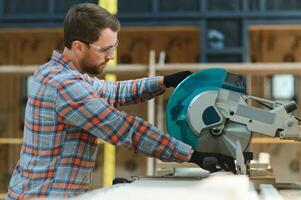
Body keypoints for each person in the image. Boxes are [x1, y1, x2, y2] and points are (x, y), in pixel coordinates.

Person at [7, 3, 234, 199]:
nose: (112, 56)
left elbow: (113, 92)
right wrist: (193, 155)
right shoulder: (66, 86)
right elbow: (124, 129)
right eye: (105, 49)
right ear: (78, 46)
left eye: (114, 47)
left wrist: (164, 82)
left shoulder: (54, 73)